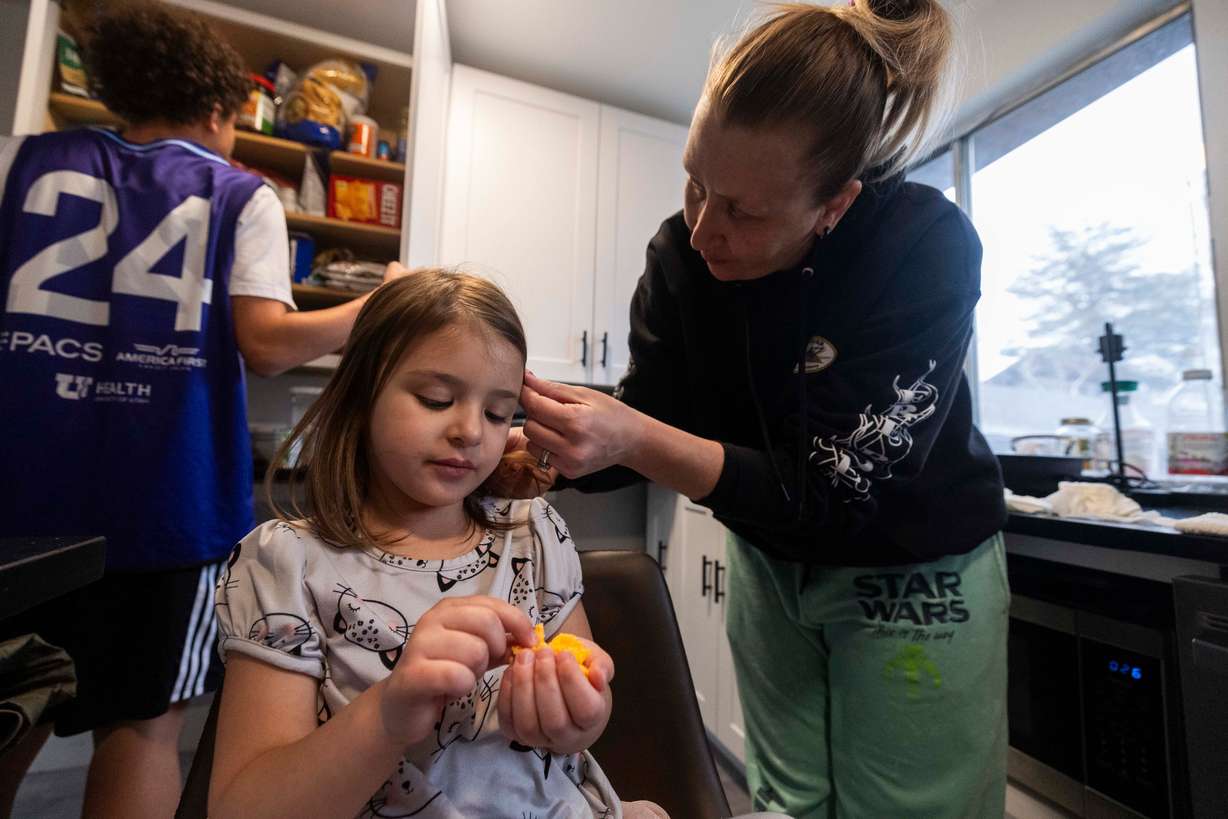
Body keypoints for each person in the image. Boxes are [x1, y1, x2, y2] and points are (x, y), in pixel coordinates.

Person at [514, 2, 1010, 817]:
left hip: (914, 567)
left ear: (834, 206)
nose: (704, 228)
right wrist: (525, 441)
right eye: (695, 182)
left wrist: (633, 434)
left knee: (912, 807)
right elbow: (643, 423)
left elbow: (833, 492)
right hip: (770, 563)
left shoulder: (924, 248)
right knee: (786, 799)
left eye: (743, 210)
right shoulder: (680, 255)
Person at [0, 4, 408, 817]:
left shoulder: (23, 159)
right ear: (220, 110)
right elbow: (265, 341)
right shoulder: (237, 193)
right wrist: (384, 302)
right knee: (144, 728)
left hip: (20, 505)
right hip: (163, 511)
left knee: (11, 715)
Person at [207, 269, 673, 819]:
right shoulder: (284, 563)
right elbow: (243, 807)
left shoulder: (534, 533)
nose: (471, 431)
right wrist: (385, 717)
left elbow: (582, 718)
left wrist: (579, 715)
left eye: (498, 412)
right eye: (434, 399)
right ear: (361, 397)